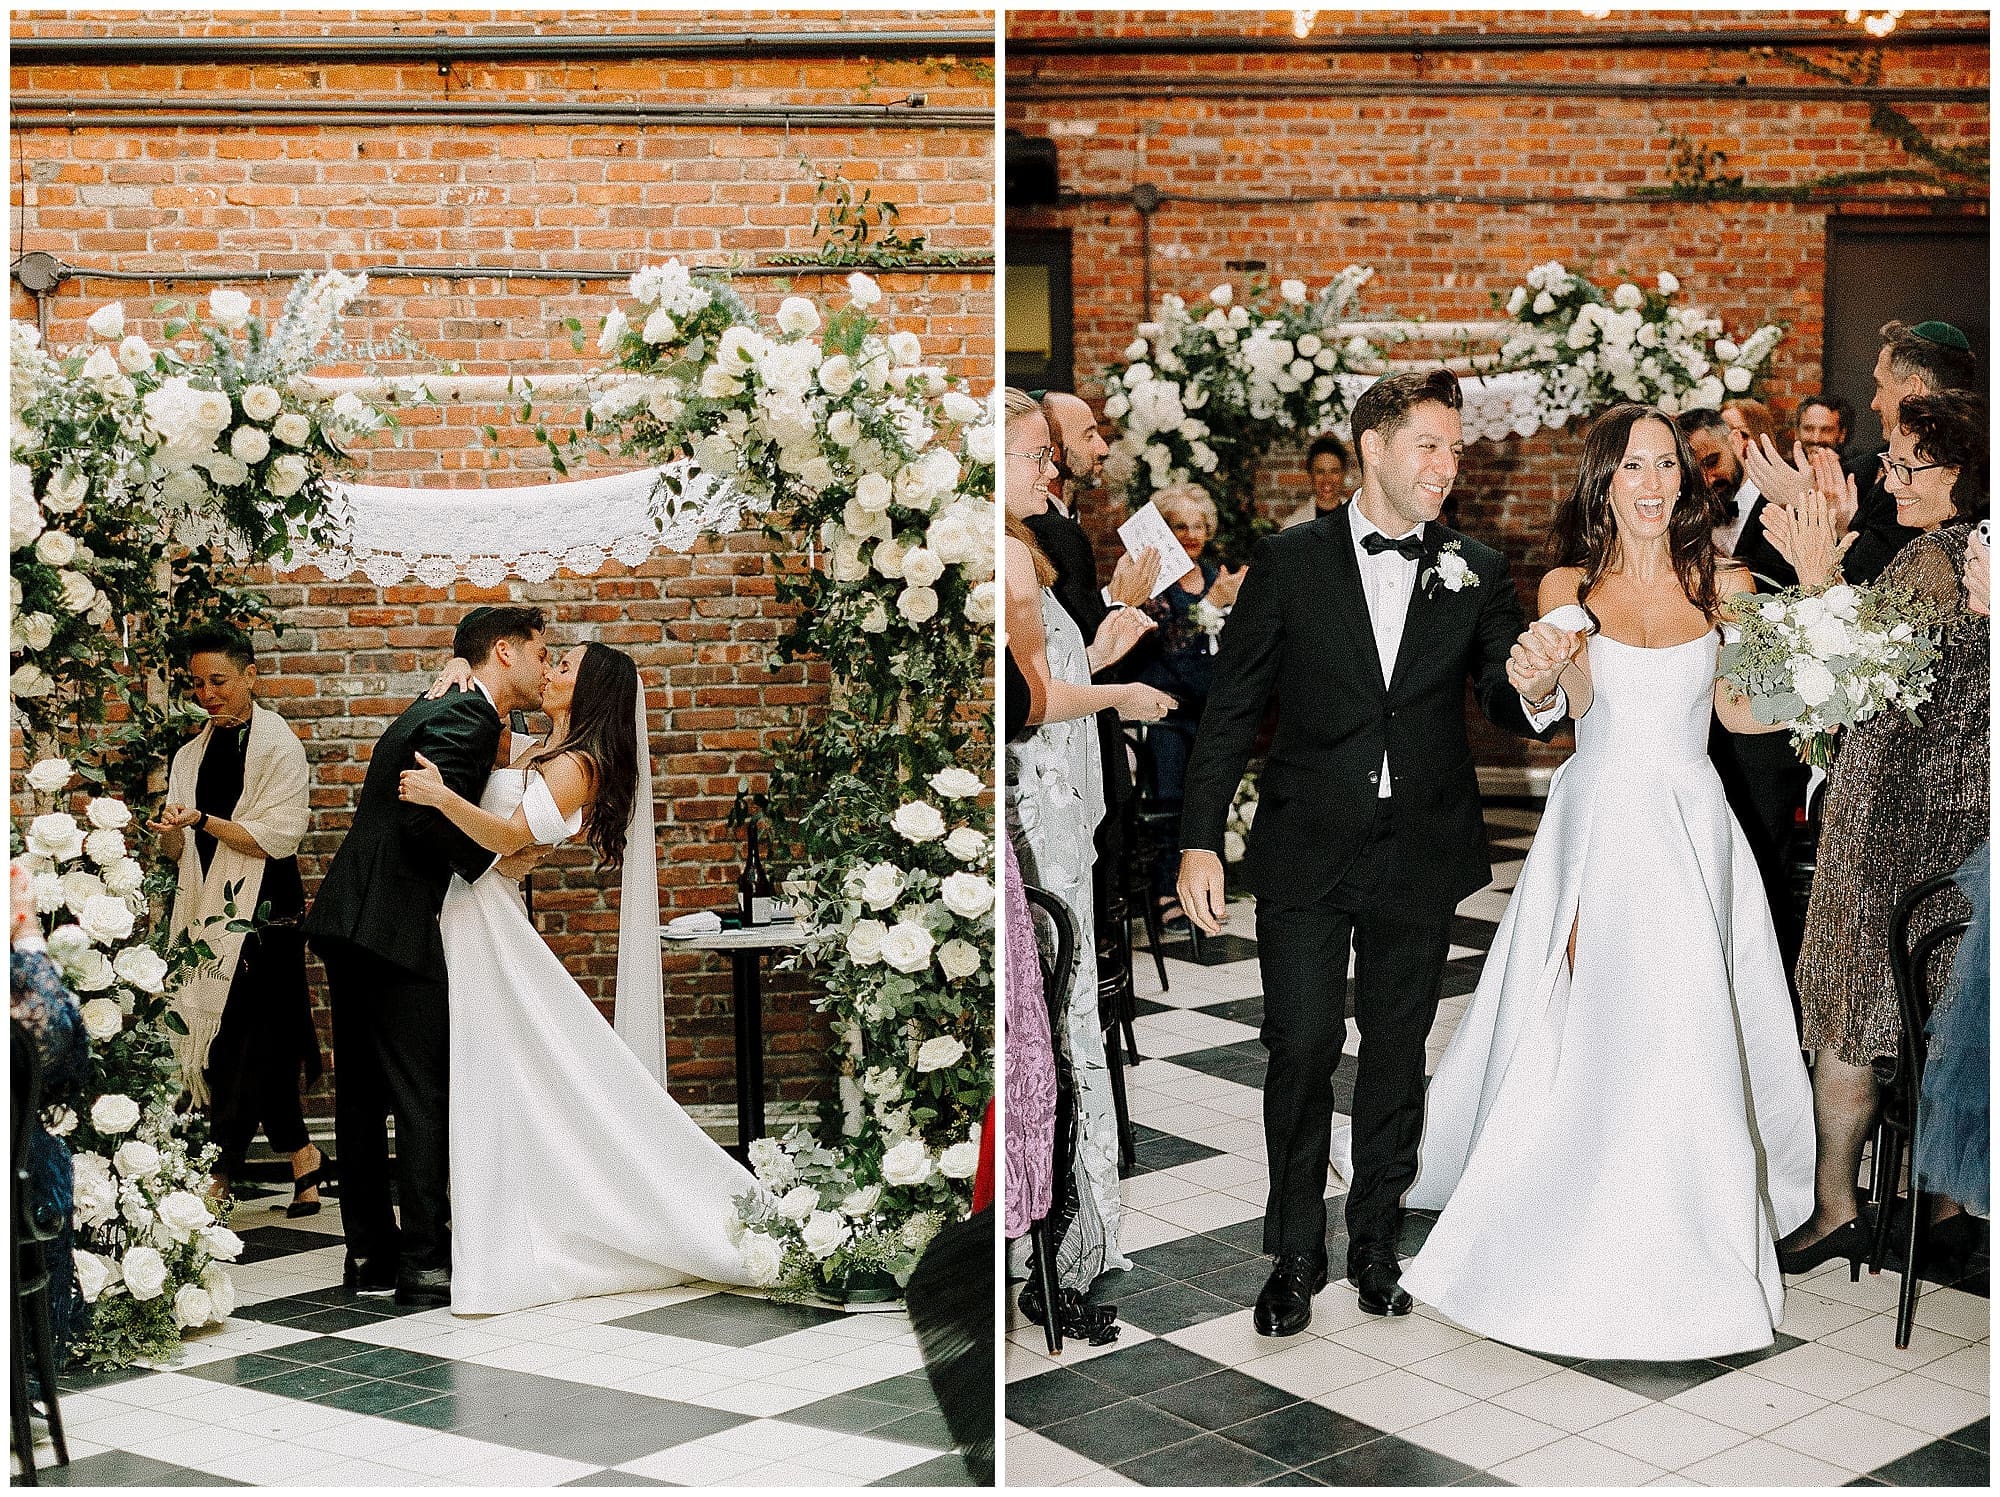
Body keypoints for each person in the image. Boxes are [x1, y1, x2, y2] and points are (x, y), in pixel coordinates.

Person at [1401, 403, 1817, 1359]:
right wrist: (1542, 670)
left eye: (1667, 465)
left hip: (1692, 827)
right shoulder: (1567, 582)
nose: (1653, 483)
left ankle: (1696, 1240)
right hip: (1601, 827)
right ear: (1604, 482)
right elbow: (1570, 700)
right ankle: (1575, 1208)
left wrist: (1822, 644)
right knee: (1596, 1027)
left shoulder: (1730, 584)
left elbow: (1749, 714)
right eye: (1633, 466)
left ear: (1684, 480)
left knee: (1690, 1029)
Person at [1175, 367, 1562, 1335]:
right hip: (1306, 842)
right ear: (1374, 448)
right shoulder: (1289, 560)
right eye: (1428, 445)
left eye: (1454, 448)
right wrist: (1196, 841)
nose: (1446, 465)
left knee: (1395, 1050)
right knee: (1300, 1045)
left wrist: (1540, 686)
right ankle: (1292, 1252)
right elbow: (1230, 710)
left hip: (1419, 846)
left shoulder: (1473, 566)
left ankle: (1375, 1240)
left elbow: (1504, 699)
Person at [396, 638, 758, 1315]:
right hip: (471, 908)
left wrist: (443, 798)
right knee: (501, 1073)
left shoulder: (578, 765)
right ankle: (504, 1217)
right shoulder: (536, 741)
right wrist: (455, 670)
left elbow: (508, 838)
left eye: (565, 667)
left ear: (590, 690)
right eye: (554, 660)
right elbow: (506, 803)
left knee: (507, 1070)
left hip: (487, 920)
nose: (551, 670)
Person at [1778, 390, 1990, 1274]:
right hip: (1966, 829)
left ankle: (1837, 1208)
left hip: (1887, 827)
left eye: (1907, 465)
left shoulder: (1932, 565)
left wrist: (1816, 572)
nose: (1886, 476)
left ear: (1959, 476)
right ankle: (1943, 1208)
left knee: (1851, 1015)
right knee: (1945, 1015)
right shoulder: (1980, 556)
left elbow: (1838, 678)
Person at [303, 604, 550, 1307]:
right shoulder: (466, 715)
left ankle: (369, 1255)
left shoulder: (445, 700)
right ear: (504, 652)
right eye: (539, 651)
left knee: (361, 1097)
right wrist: (494, 858)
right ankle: (424, 1261)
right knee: (418, 1091)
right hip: (391, 921)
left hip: (353, 915)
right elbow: (420, 814)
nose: (543, 665)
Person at [1002, 387, 1171, 1341]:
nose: (1050, 469)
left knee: (1061, 1019)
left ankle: (1057, 1237)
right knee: (1054, 1026)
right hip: (1036, 810)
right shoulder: (1013, 567)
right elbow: (1026, 704)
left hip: (1053, 809)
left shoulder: (1028, 556)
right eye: (1033, 454)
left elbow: (1044, 676)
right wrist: (1120, 692)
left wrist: (1100, 647)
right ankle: (1051, 1245)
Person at [150, 625, 320, 1213]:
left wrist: (199, 820)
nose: (207, 693)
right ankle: (304, 1158)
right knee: (258, 1041)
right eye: (197, 683)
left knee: (239, 1044)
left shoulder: (279, 747)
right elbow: (183, 857)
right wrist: (173, 833)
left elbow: (277, 836)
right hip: (208, 915)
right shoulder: (190, 753)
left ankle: (220, 1168)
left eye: (218, 680)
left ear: (250, 675)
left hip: (266, 915)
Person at [1676, 406, 1812, 975]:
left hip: (1764, 726)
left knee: (1768, 872)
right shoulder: (1683, 520)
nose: (1708, 477)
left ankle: (1774, 993)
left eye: (1712, 460)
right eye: (1695, 470)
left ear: (1738, 441)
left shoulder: (1788, 506)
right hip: (1699, 731)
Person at [1748, 321, 1977, 584]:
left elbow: (1867, 597)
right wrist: (1840, 525)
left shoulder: (1921, 490)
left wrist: (1809, 507)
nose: (1874, 402)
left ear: (1913, 390)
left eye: (1880, 385)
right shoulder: (1870, 470)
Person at [1126, 483, 1246, 928]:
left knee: (1206, 801)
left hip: (1209, 710)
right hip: (1165, 711)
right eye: (1181, 526)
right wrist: (1210, 605)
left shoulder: (1218, 574)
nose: (1192, 534)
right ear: (1164, 530)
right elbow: (1170, 645)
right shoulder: (1154, 583)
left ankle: (1202, 890)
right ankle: (1164, 891)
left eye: (1198, 526)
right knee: (1169, 800)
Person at [12, 860, 91, 1373]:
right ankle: (29, 1372)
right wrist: (29, 943)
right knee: (41, 1162)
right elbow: (59, 1039)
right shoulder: (22, 980)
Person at [1284, 433, 1352, 529]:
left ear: (1343, 473)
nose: (1327, 479)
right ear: (1310, 474)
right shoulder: (1294, 523)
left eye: (1334, 471)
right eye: (1320, 472)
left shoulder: (1357, 518)